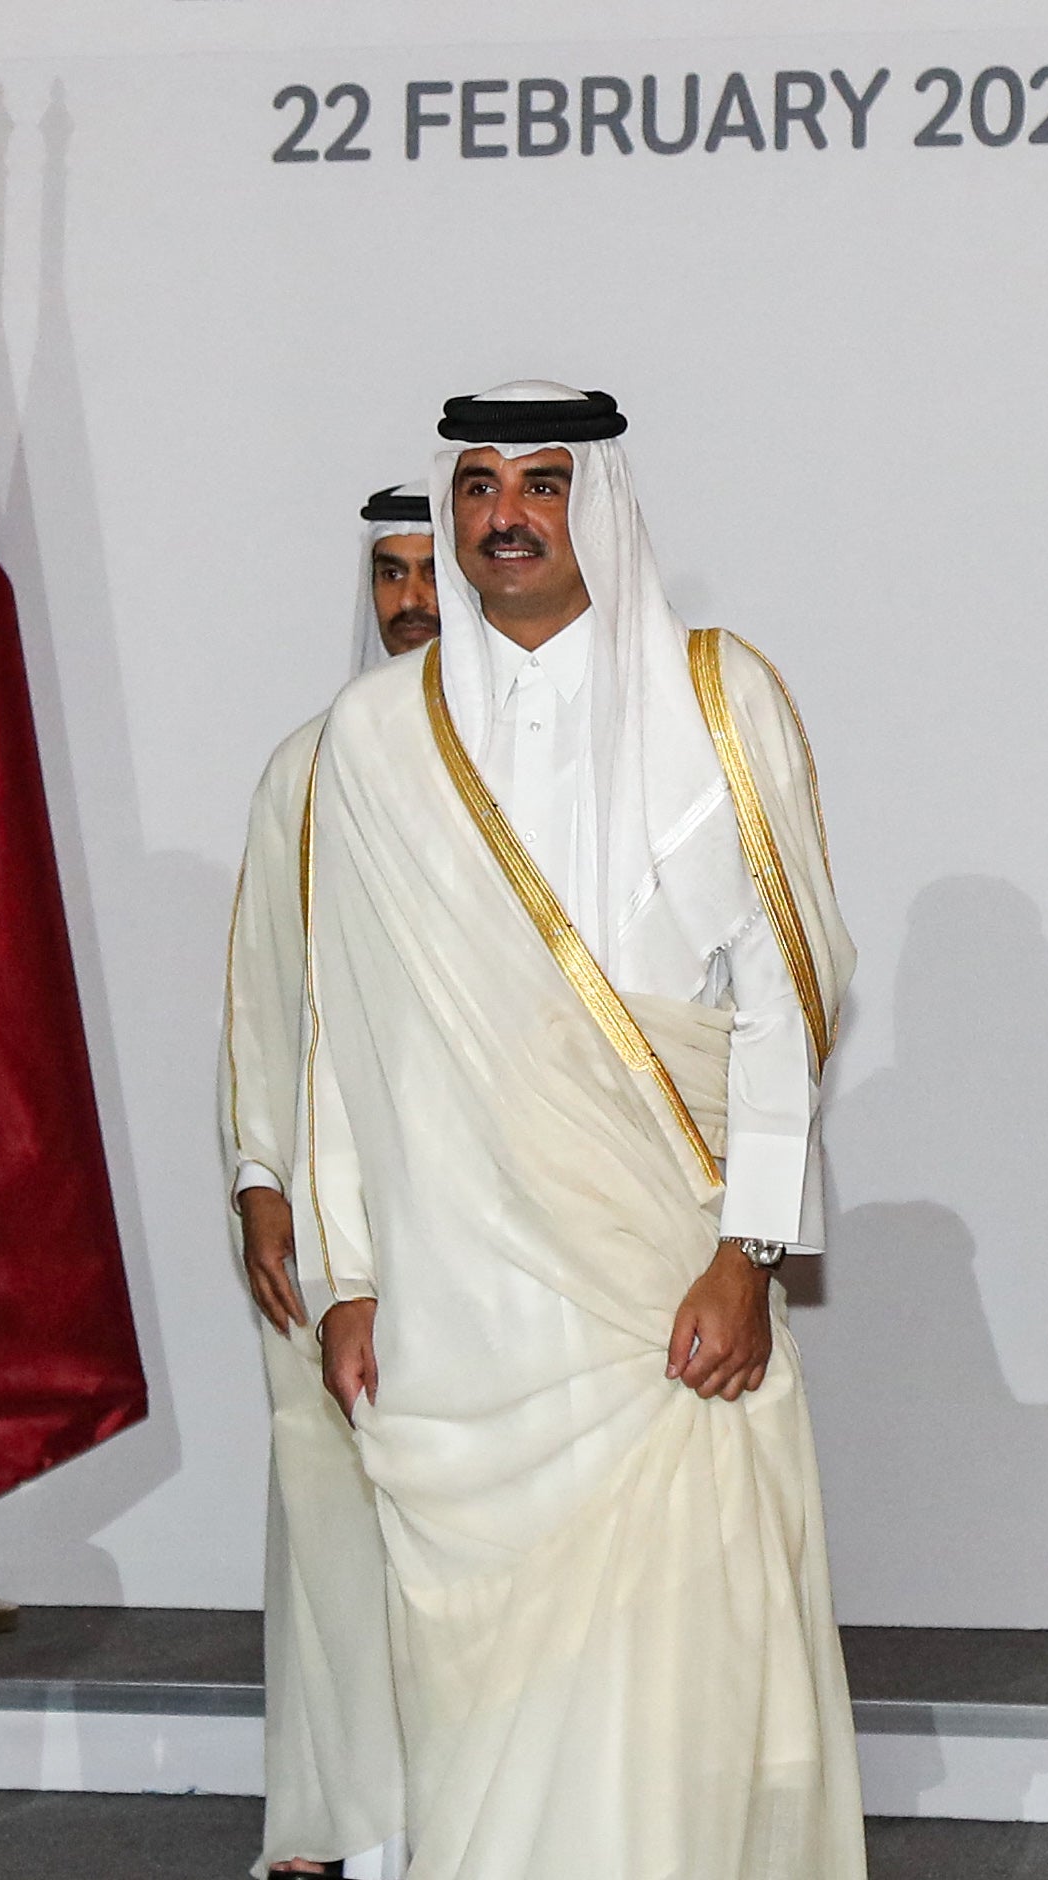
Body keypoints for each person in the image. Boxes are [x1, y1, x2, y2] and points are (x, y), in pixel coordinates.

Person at [301, 383, 865, 1879]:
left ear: (595, 505)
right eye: (477, 484)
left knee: (668, 1674)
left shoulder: (718, 698)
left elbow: (784, 1004)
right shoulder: (372, 738)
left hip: (656, 1287)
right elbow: (342, 1029)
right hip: (458, 1304)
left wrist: (752, 1249)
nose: (504, 515)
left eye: (542, 483)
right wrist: (344, 1271)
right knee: (483, 1684)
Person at [221, 482, 437, 1878]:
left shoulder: (560, 774)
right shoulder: (311, 766)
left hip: (486, 1218)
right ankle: (333, 1825)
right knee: (331, 1529)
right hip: (322, 1197)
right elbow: (262, 988)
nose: (411, 599)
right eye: (390, 576)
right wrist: (260, 1178)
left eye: (431, 571)